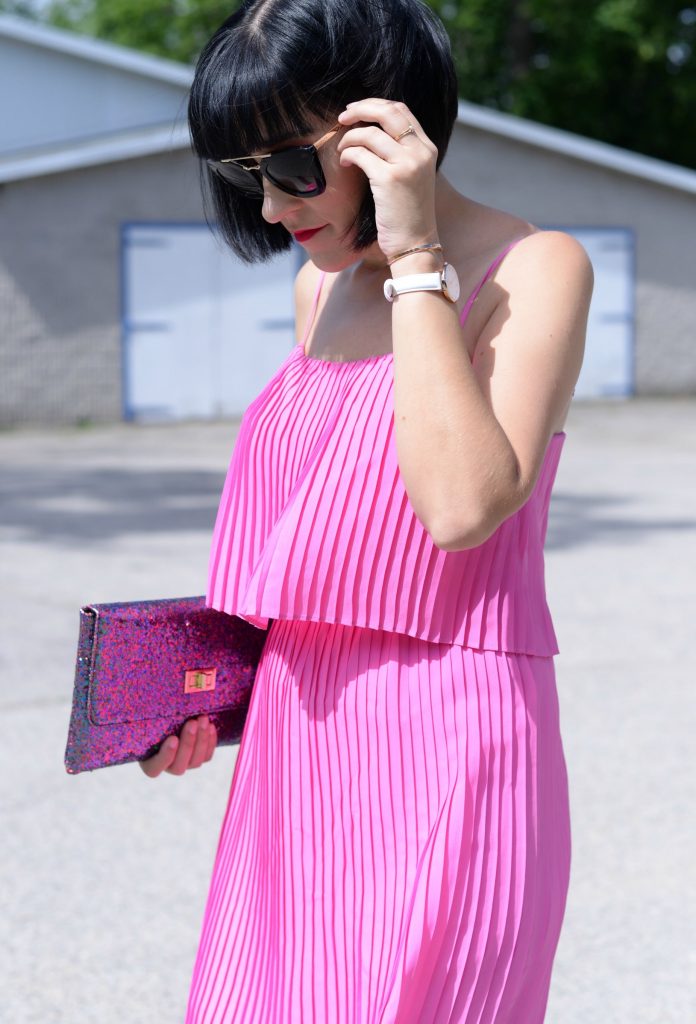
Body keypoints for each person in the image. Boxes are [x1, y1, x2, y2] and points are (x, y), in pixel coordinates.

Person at [141, 0, 593, 1020]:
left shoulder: (535, 270)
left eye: (292, 168)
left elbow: (464, 503)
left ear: (391, 130)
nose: (271, 207)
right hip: (300, 751)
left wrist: (419, 256)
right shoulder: (320, 290)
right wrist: (206, 688)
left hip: (450, 745)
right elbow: (313, 536)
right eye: (244, 175)